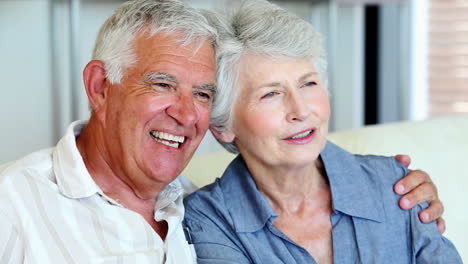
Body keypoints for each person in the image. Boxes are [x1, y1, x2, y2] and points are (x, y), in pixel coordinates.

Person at [0, 0, 444, 262]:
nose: (185, 113)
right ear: (101, 87)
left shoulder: (185, 205)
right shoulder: (14, 202)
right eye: (161, 84)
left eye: (203, 94)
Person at [183, 0, 462, 263]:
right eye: (270, 94)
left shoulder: (397, 186)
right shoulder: (206, 220)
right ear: (223, 126)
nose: (301, 111)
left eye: (309, 84)